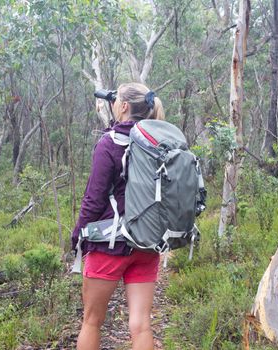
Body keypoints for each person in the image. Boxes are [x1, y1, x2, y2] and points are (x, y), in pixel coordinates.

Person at [71, 82, 165, 350]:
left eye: (116, 101)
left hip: (108, 245)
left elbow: (93, 198)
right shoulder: (158, 144)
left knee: (92, 321)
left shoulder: (109, 143)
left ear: (123, 106)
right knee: (141, 325)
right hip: (147, 243)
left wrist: (79, 235)